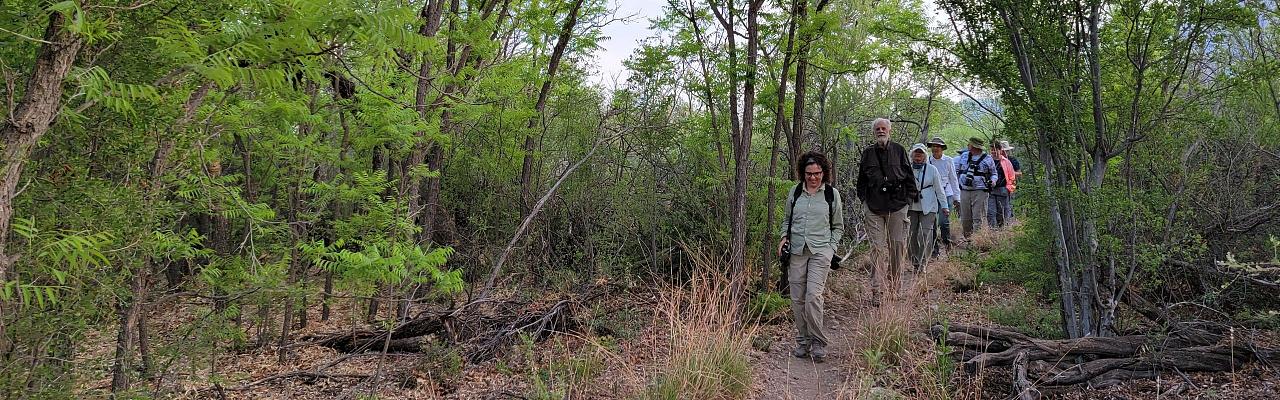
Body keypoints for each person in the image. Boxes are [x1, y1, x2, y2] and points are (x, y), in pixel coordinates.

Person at [777, 151, 844, 362]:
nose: (813, 177)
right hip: (797, 250)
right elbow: (786, 220)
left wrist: (831, 248)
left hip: (820, 251)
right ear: (802, 173)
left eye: (817, 173)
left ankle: (818, 342)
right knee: (797, 299)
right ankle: (803, 340)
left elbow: (838, 226)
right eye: (809, 173)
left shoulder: (831, 194)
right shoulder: (795, 192)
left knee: (813, 296)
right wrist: (783, 237)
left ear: (824, 173)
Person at [855, 118, 918, 305]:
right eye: (877, 129)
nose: (881, 131)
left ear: (890, 130)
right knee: (877, 248)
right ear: (874, 132)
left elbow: (909, 178)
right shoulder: (867, 153)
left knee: (896, 247)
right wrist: (864, 201)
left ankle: (894, 287)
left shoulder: (899, 150)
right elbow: (861, 181)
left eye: (884, 128)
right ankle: (877, 291)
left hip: (897, 206)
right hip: (874, 207)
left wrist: (907, 201)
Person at [908, 144, 950, 272]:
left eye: (920, 154)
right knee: (911, 235)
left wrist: (944, 206)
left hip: (929, 206)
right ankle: (915, 261)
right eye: (916, 153)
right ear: (912, 155)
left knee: (925, 234)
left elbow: (939, 189)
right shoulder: (907, 169)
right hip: (911, 206)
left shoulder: (932, 170)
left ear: (925, 156)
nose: (918, 156)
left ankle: (923, 263)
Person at [953, 137, 997, 241]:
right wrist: (958, 183)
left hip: (980, 191)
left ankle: (977, 241)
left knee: (978, 217)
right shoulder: (963, 156)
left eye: (970, 144)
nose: (968, 146)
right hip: (964, 191)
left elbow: (994, 174)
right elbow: (956, 171)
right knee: (965, 218)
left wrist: (993, 181)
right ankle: (968, 239)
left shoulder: (987, 159)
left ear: (973, 146)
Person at [926, 137, 960, 255]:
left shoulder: (948, 160)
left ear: (942, 148)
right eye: (933, 146)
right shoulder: (927, 161)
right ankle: (934, 249)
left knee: (943, 221)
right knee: (932, 222)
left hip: (947, 194)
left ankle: (947, 243)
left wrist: (957, 197)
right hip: (931, 195)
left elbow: (953, 179)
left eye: (938, 146)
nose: (935, 148)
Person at [987, 140, 1018, 228]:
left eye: (995, 150)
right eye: (992, 150)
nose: (993, 152)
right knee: (991, 212)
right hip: (990, 190)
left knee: (1003, 212)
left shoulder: (1006, 162)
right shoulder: (987, 161)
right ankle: (993, 231)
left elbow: (1012, 176)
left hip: (1003, 189)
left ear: (1000, 150)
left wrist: (1009, 188)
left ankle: (1004, 230)